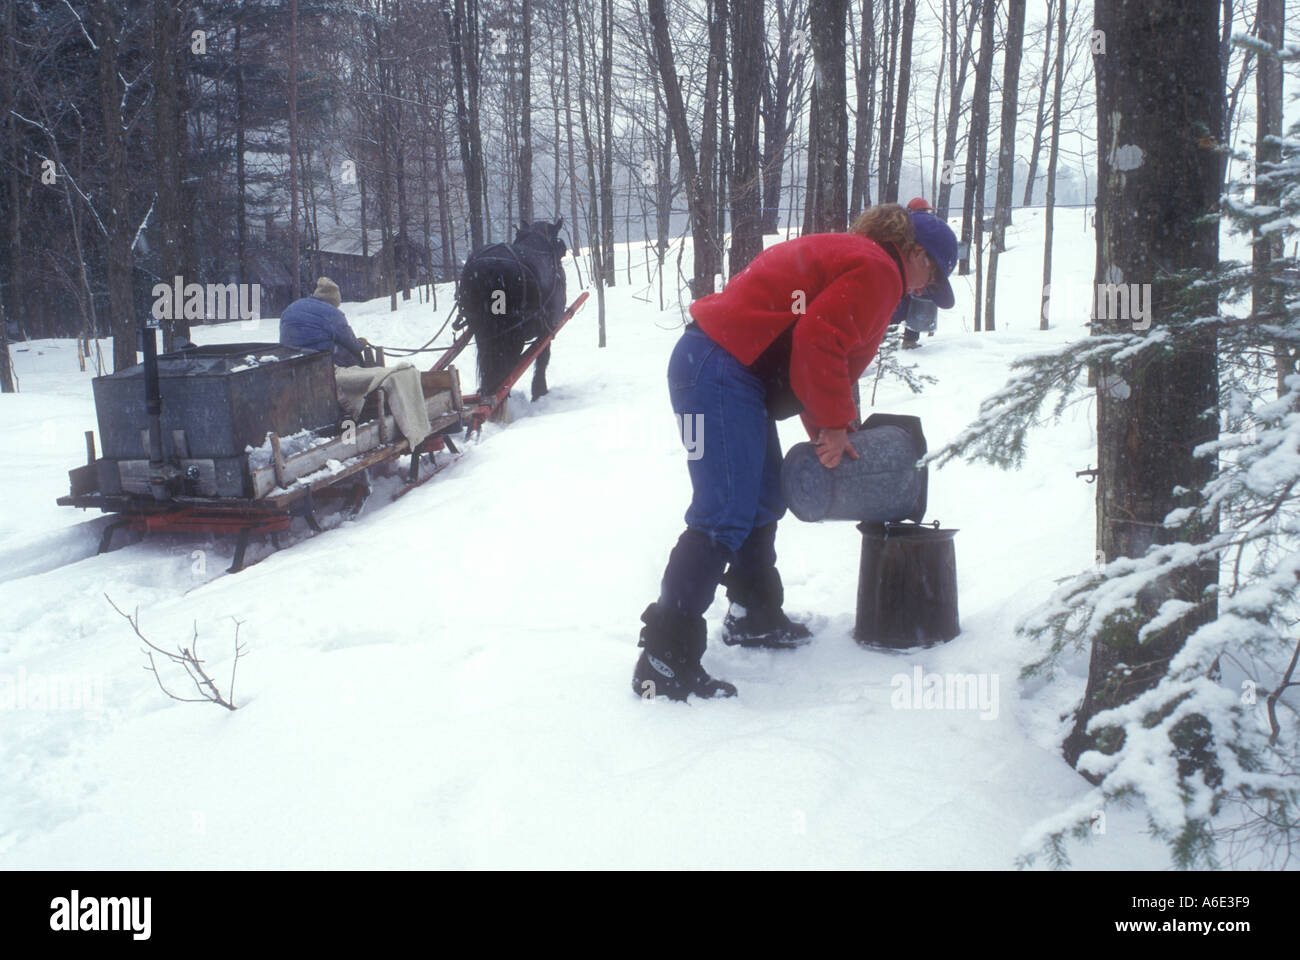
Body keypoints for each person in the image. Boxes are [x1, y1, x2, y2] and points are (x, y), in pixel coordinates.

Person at [632, 203, 958, 702]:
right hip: (719, 370)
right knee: (722, 512)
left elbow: (817, 351)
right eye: (930, 276)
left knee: (760, 498)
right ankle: (662, 657)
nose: (922, 291)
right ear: (914, 252)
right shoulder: (878, 270)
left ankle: (753, 615)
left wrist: (833, 426)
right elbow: (817, 343)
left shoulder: (865, 259)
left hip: (715, 367)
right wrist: (832, 425)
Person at [279, 276, 369, 367]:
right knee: (350, 354)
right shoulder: (333, 313)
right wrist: (362, 342)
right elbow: (352, 344)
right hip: (316, 359)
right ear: (334, 301)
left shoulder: (293, 306)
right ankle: (358, 377)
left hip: (288, 356)